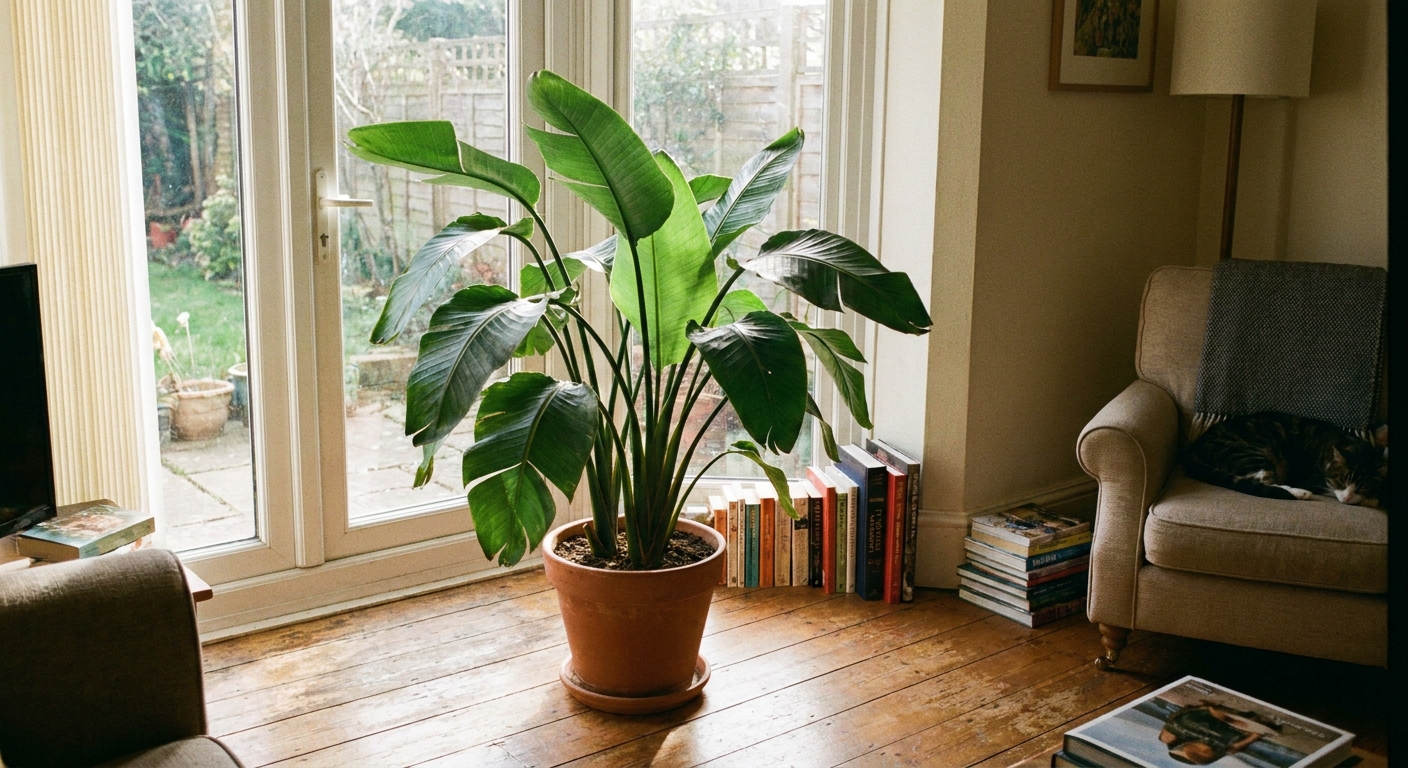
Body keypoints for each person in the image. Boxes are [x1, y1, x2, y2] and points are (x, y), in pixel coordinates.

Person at [1158, 700, 1281, 765]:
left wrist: (1204, 708)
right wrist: (1255, 735)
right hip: (1212, 734)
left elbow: (1179, 719)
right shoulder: (1215, 751)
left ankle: (1216, 713)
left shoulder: (1176, 730)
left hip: (1192, 726)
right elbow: (1233, 749)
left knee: (1169, 734)